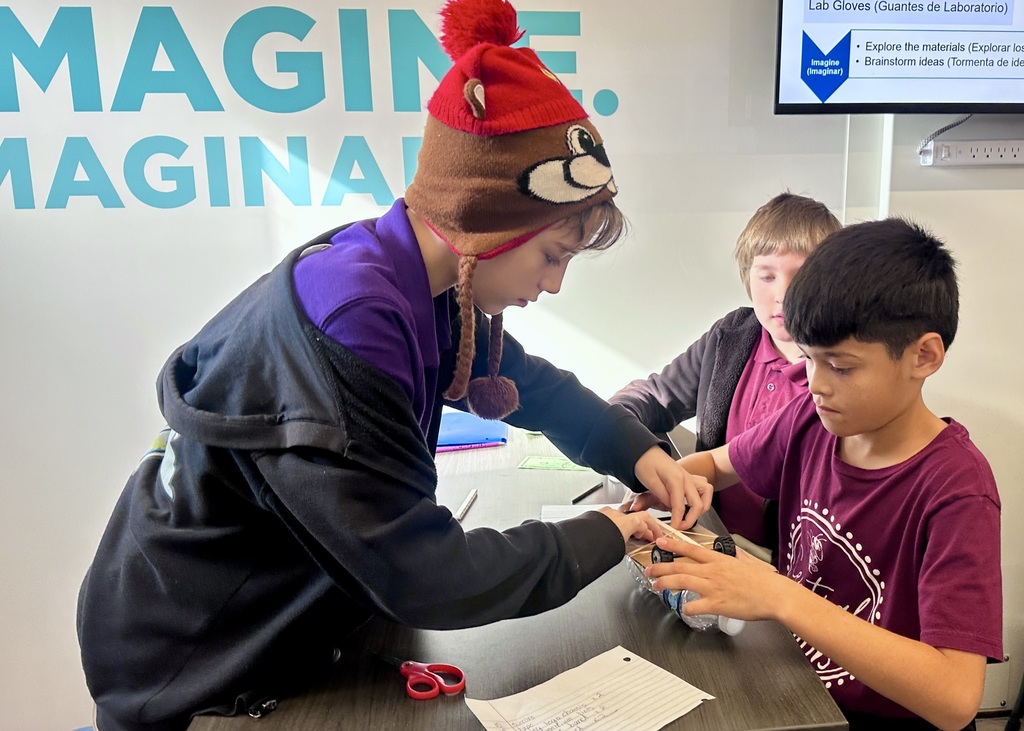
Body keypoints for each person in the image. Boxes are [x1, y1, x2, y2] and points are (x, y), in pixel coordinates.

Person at [75, 1, 710, 729]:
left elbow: (514, 379)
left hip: (267, 611)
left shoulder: (406, 269)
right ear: (486, 217)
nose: (554, 282)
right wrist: (610, 530)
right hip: (192, 656)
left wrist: (638, 452)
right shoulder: (352, 323)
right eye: (553, 253)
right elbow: (427, 577)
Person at [641, 218, 1002, 730]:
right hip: (797, 691)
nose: (815, 384)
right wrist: (667, 481)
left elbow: (955, 698)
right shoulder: (811, 421)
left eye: (842, 365)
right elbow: (718, 464)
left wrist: (779, 595)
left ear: (924, 356)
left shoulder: (957, 490)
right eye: (808, 358)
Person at [611, 192, 841, 560]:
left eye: (801, 277)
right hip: (714, 539)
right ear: (747, 278)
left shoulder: (838, 376)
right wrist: (616, 430)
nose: (782, 294)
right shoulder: (732, 335)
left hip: (790, 566)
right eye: (766, 276)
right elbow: (656, 395)